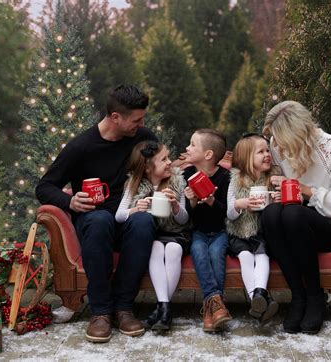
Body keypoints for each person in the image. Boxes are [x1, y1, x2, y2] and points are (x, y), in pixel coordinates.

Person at [35, 85, 158, 343]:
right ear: (116, 117)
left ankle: (124, 307)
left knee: (144, 220)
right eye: (137, 119)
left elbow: (161, 167)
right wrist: (70, 201)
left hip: (129, 218)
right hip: (94, 223)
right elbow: (44, 187)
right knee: (100, 220)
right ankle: (100, 311)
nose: (142, 123)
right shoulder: (81, 147)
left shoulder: (142, 137)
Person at [261, 101, 331, 334]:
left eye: (282, 140)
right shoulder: (276, 143)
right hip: (292, 217)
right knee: (272, 212)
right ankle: (298, 296)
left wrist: (301, 188)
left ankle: (315, 296)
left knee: (292, 214)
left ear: (296, 133)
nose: (278, 147)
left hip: (324, 224)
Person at [115, 140, 189, 331]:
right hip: (153, 236)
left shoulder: (177, 181)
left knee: (172, 250)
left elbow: (183, 220)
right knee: (156, 249)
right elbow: (119, 215)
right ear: (147, 167)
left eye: (168, 157)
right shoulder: (134, 183)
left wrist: (175, 206)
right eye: (164, 159)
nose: (170, 162)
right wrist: (135, 210)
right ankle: (165, 310)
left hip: (175, 233)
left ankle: (162, 307)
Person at [226, 134, 280, 322]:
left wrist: (275, 200)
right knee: (246, 256)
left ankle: (259, 294)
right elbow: (229, 214)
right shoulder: (236, 180)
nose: (267, 154)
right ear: (246, 158)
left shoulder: (272, 178)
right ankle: (258, 298)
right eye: (261, 152)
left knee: (262, 255)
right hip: (238, 233)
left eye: (267, 150)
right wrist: (239, 205)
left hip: (259, 233)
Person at [183, 129, 232, 332]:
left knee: (216, 253)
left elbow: (227, 213)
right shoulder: (187, 175)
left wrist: (211, 200)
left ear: (208, 155)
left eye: (193, 144)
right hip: (198, 232)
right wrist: (192, 202)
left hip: (220, 231)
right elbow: (185, 216)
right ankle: (216, 307)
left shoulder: (225, 177)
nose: (187, 147)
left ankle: (212, 308)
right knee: (199, 252)